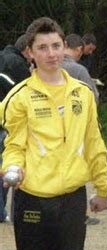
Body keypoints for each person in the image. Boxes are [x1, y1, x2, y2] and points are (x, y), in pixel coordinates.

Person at [1, 17, 107, 250]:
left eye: (55, 46)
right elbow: (13, 144)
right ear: (30, 52)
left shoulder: (82, 93)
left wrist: (103, 188)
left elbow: (94, 144)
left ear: (64, 47)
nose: (51, 54)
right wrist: (12, 167)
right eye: (42, 47)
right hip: (33, 199)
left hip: (72, 200)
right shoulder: (19, 97)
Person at [0, 34, 32, 223]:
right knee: (8, 167)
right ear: (28, 50)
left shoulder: (3, 57)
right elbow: (25, 96)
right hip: (7, 123)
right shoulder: (18, 65)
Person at [62, 33, 99, 103]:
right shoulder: (80, 70)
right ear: (79, 50)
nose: (90, 52)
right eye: (89, 49)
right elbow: (93, 97)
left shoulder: (47, 66)